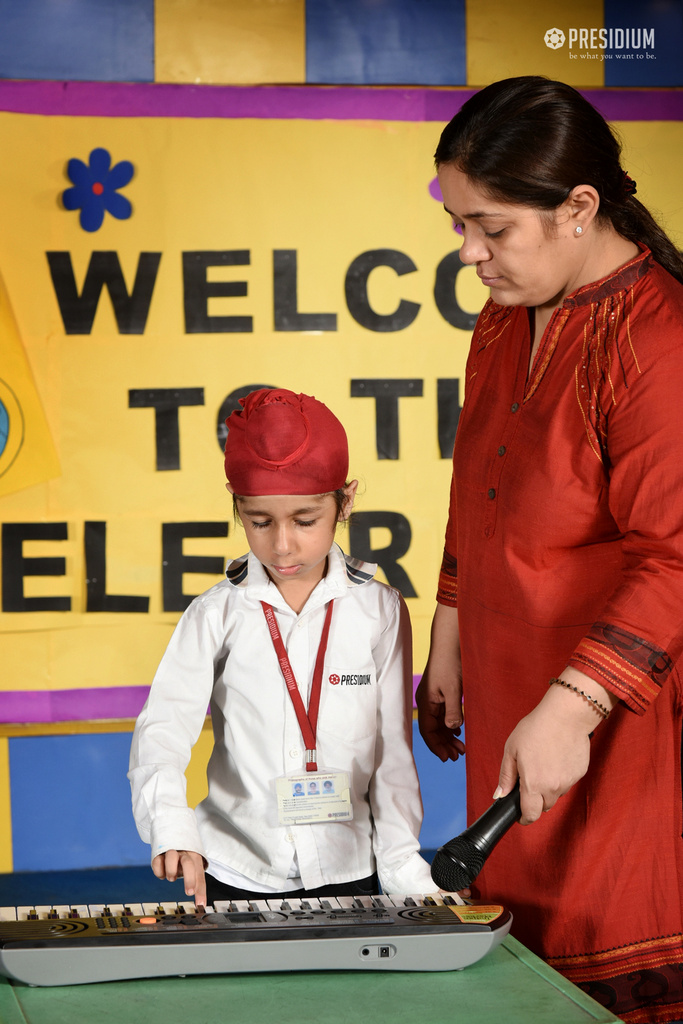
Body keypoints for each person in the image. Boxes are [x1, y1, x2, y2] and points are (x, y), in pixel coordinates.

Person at [416, 76, 683, 1024]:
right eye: (457, 224)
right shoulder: (499, 318)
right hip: (512, 686)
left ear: (577, 208)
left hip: (612, 712)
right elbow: (476, 487)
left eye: (489, 227)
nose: (469, 253)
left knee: (603, 951)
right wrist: (448, 629)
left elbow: (674, 560)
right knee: (520, 962)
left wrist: (570, 707)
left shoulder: (656, 336)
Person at [129, 387, 435, 909]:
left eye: (305, 520)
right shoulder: (215, 613)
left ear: (346, 501)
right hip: (233, 869)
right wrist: (173, 826)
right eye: (260, 521)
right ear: (237, 506)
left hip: (351, 870)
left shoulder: (379, 610)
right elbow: (163, 729)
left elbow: (391, 753)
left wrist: (403, 863)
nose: (283, 544)